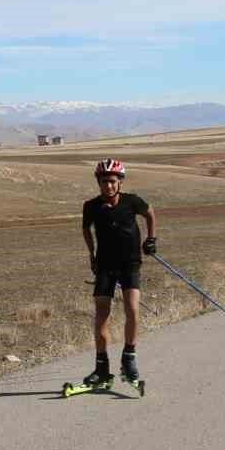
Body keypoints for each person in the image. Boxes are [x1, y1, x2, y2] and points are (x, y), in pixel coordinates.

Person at [81, 158, 156, 386]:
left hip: (130, 264)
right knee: (101, 315)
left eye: (112, 181)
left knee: (132, 309)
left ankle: (129, 358)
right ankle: (101, 367)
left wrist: (150, 239)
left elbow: (150, 213)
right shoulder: (91, 206)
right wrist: (92, 254)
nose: (109, 186)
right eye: (104, 181)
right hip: (105, 265)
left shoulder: (132, 201)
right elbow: (86, 229)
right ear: (99, 182)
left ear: (120, 182)